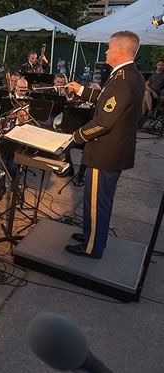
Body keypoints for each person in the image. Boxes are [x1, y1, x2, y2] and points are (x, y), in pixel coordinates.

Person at [65, 31, 143, 259]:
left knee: (96, 203)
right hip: (114, 151)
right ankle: (92, 235)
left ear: (119, 50)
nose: (106, 52)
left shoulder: (122, 81)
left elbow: (104, 121)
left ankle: (92, 247)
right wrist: (81, 90)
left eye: (109, 48)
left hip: (105, 152)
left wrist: (76, 136)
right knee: (98, 200)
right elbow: (107, 101)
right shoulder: (131, 75)